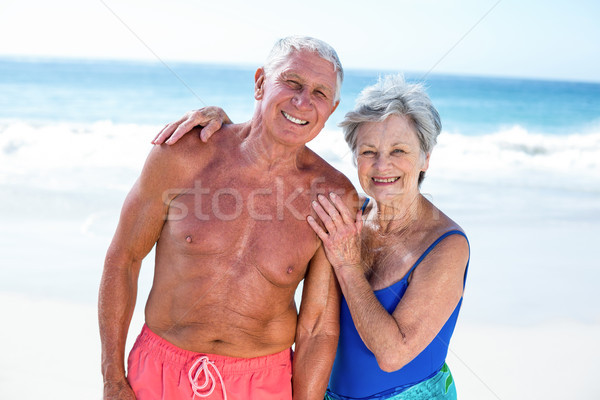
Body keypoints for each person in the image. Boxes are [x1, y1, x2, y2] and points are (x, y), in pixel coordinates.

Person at [158, 75, 470, 399]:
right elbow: (276, 166)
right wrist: (228, 133)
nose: (382, 165)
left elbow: (392, 354)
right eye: (368, 151)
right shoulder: (345, 215)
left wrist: (348, 266)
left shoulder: (446, 246)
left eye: (399, 150)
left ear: (426, 157)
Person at [98, 36, 357, 400]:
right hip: (158, 373)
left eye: (319, 93)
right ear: (260, 83)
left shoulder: (333, 195)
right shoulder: (184, 153)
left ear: (331, 108)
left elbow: (317, 328)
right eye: (292, 83)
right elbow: (123, 259)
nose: (302, 102)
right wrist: (112, 378)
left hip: (263, 383)